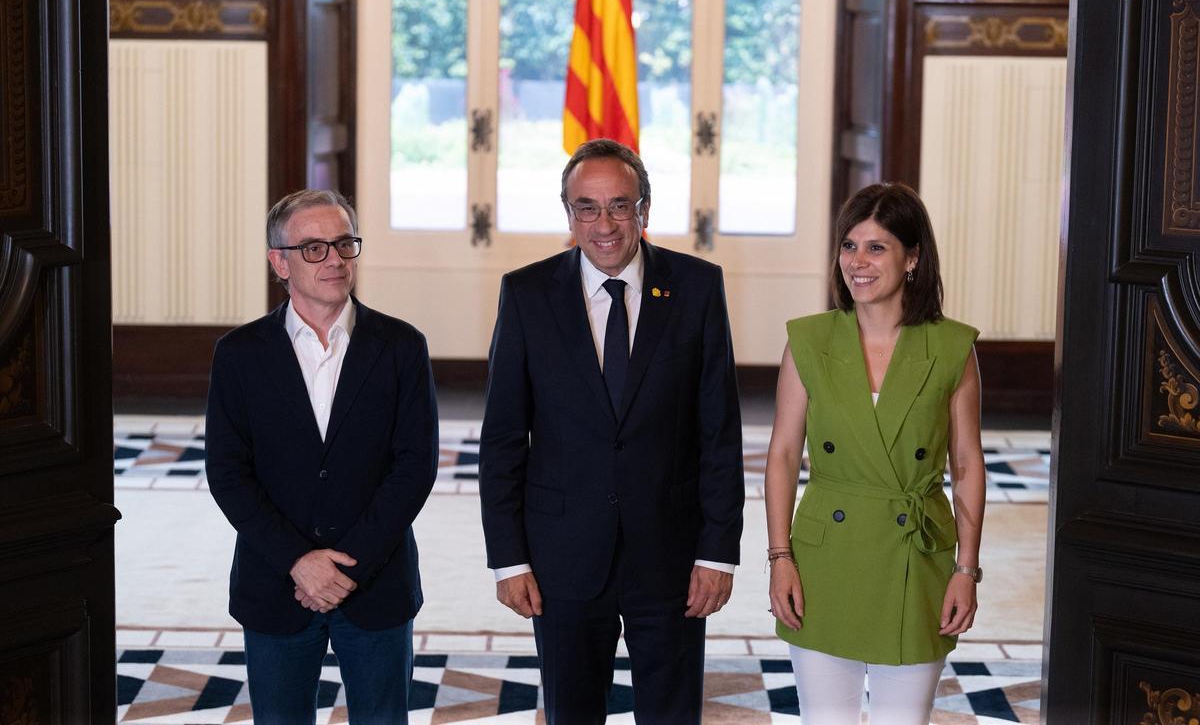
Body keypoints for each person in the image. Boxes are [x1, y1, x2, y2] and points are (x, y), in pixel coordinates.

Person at [479, 138, 744, 723]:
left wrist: (718, 554)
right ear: (568, 213)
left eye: (620, 205)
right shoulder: (526, 293)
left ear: (644, 209)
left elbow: (719, 433)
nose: (605, 224)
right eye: (588, 207)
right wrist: (509, 559)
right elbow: (501, 439)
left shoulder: (697, 288)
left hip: (671, 555)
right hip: (562, 557)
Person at [205, 189, 438, 724]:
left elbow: (414, 468)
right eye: (314, 248)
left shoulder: (402, 346)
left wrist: (345, 568)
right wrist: (299, 562)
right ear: (278, 262)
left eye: (343, 244)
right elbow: (227, 473)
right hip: (275, 583)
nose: (334, 259)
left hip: (377, 582)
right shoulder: (239, 354)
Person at [764, 182, 986, 724]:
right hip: (823, 557)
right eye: (849, 246)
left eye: (876, 247)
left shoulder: (952, 347)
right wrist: (779, 559)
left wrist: (967, 569)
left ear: (913, 258)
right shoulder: (809, 340)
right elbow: (784, 454)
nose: (857, 262)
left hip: (916, 557)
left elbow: (966, 465)